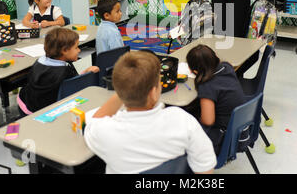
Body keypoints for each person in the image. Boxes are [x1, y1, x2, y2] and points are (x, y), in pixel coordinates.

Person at [84, 51, 217, 174]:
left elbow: (95, 120)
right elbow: (205, 168)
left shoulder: (104, 131)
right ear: (154, 93)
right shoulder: (182, 120)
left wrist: (125, 88)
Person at [17, 27, 99, 115]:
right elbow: (74, 84)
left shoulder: (40, 61)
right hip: (39, 112)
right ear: (64, 51)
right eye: (76, 47)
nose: (79, 50)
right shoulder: (64, 71)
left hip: (24, 100)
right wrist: (87, 71)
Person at [186, 44, 247, 154]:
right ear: (215, 56)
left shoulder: (207, 86)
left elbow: (208, 121)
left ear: (194, 71)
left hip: (226, 139)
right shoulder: (227, 67)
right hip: (241, 130)